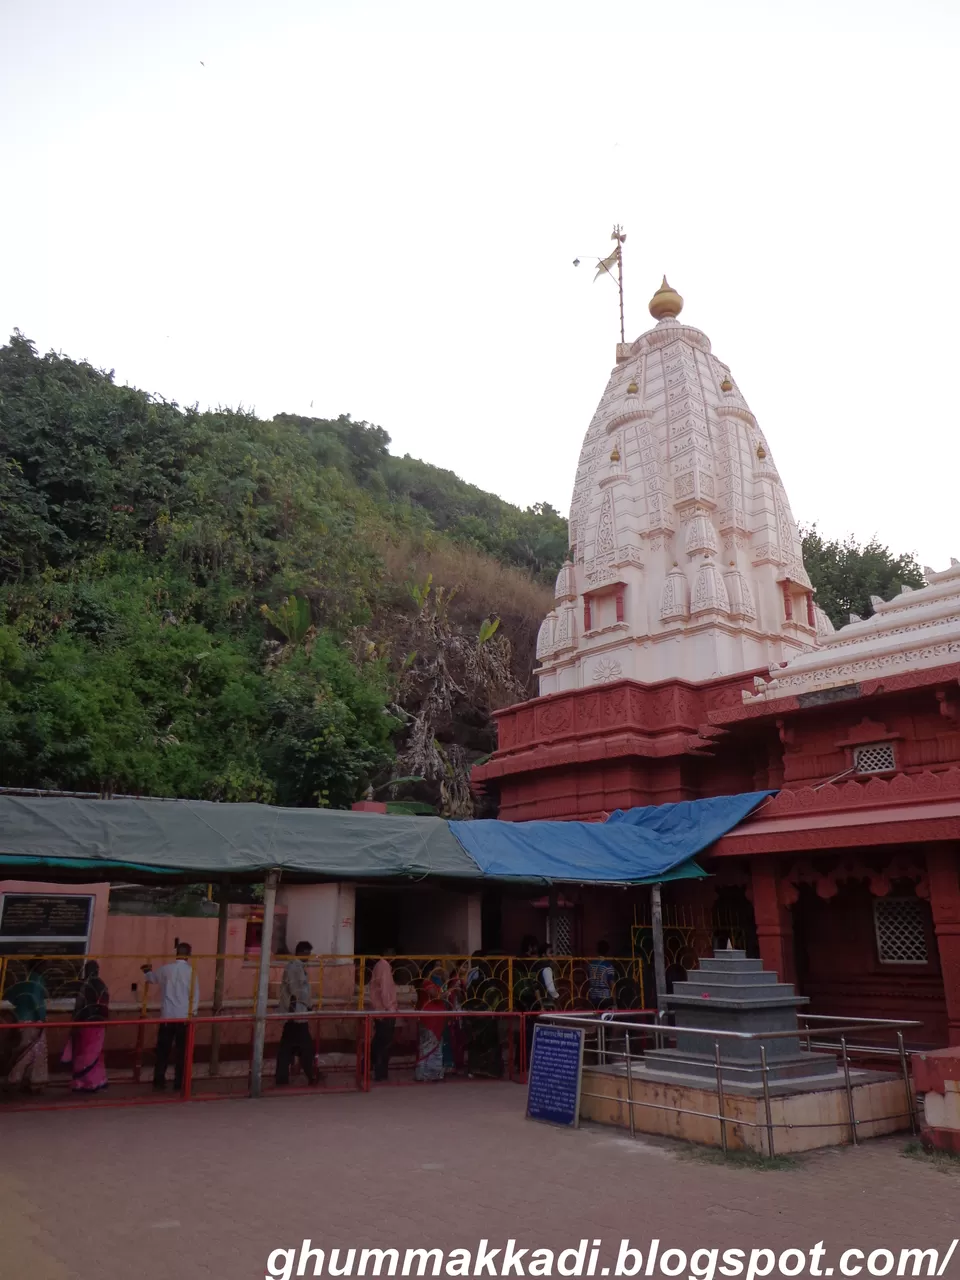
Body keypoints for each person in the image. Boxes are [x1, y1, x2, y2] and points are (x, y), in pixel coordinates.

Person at [142, 942, 199, 1092]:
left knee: (163, 1051)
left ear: (177, 954)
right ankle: (180, 1082)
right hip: (184, 1018)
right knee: (183, 1052)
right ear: (189, 955)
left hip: (167, 1017)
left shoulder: (166, 970)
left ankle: (159, 1080)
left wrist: (147, 971)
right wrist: (192, 1014)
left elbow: (152, 979)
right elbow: (195, 996)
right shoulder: (192, 972)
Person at [61, 960, 110, 1093]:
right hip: (97, 1023)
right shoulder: (101, 985)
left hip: (86, 1023)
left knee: (84, 1052)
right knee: (93, 1052)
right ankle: (95, 1081)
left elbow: (80, 1006)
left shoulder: (85, 985)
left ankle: (83, 1082)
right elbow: (105, 1006)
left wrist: (75, 1021)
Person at [276, 941, 319, 1087]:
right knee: (304, 1047)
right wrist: (309, 1004)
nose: (309, 957)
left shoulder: (297, 967)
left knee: (288, 1048)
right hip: (296, 1014)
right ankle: (311, 1075)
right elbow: (298, 990)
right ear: (302, 952)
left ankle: (283, 1078)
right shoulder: (295, 967)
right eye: (308, 954)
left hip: (295, 1014)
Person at [4, 962, 49, 1093]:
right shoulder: (38, 982)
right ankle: (25, 1080)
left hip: (19, 1019)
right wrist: (42, 1019)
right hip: (34, 1020)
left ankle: (23, 1079)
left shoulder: (23, 979)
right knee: (33, 1052)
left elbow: (9, 996)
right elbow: (38, 1003)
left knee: (24, 1050)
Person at [367, 951, 397, 1083]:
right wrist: (389, 1007)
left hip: (379, 1009)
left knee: (379, 1041)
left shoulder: (379, 965)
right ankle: (379, 1072)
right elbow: (384, 990)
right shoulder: (384, 966)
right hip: (385, 1010)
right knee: (384, 1043)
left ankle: (368, 1065)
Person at [414, 964, 447, 1082]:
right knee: (428, 1045)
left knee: (436, 1045)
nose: (439, 970)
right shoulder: (427, 983)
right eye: (436, 968)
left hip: (437, 1018)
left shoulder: (438, 983)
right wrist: (446, 993)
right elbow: (436, 996)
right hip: (429, 1018)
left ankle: (434, 1073)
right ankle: (424, 1074)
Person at [587, 941, 617, 1011]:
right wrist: (614, 1003)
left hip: (593, 996)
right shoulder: (608, 966)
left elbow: (588, 980)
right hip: (605, 997)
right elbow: (612, 985)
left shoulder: (590, 965)